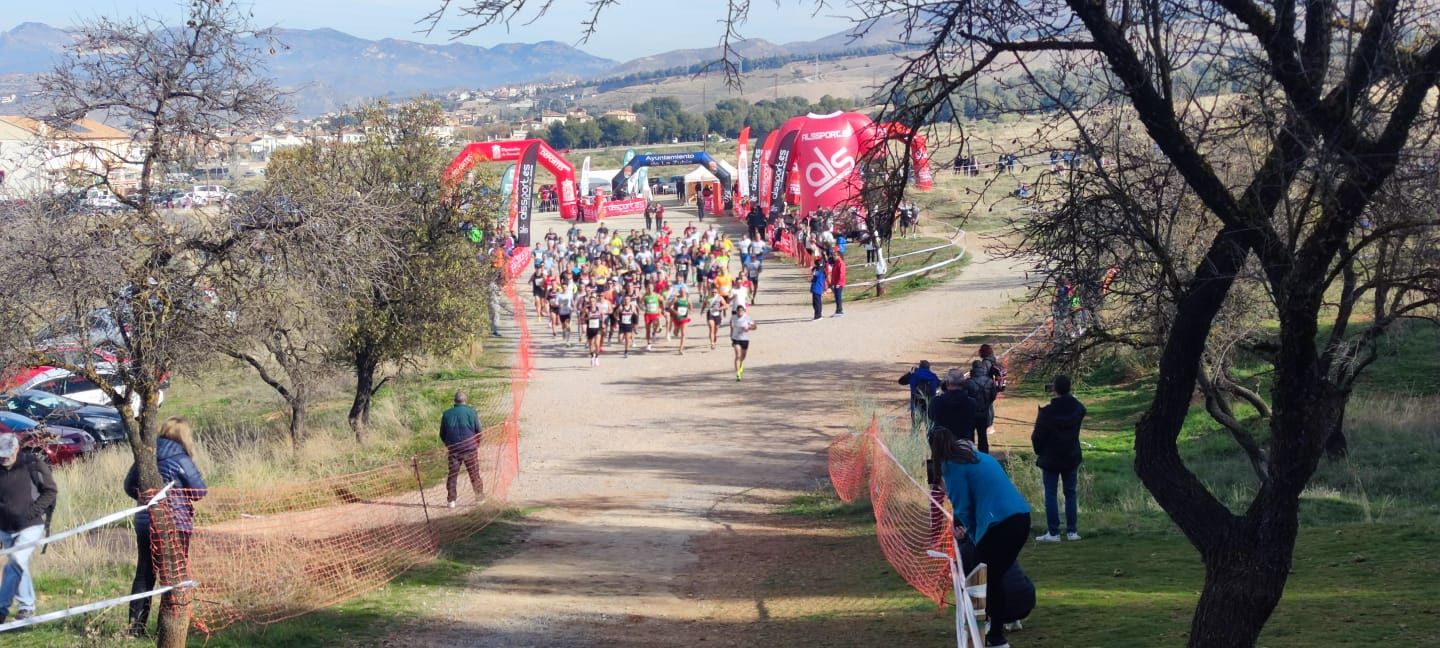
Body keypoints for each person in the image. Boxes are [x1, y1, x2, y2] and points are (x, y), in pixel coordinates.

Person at [933, 426, 1031, 648]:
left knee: (985, 577)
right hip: (1021, 517)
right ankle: (1005, 620)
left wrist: (968, 535)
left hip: (999, 523)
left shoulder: (951, 465)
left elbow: (962, 506)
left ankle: (996, 638)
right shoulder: (981, 457)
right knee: (997, 573)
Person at [122, 417, 205, 636]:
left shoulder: (145, 455)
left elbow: (128, 485)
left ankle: (135, 628)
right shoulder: (181, 457)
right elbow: (199, 491)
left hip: (144, 521)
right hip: (175, 524)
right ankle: (167, 630)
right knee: (173, 576)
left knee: (144, 574)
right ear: (184, 436)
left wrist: (146, 500)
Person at [0, 433, 56, 625]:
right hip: (5, 528)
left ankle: (2, 608)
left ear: (16, 450)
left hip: (30, 526)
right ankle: (26, 607)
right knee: (18, 566)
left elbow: (50, 491)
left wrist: (31, 512)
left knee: (15, 563)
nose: (4, 458)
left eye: (7, 454)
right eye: (1, 455)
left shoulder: (32, 464)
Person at [1031, 375, 1086, 542]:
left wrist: (1040, 451)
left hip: (1051, 456)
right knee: (1070, 493)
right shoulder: (1077, 410)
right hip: (1070, 454)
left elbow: (1037, 437)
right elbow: (1081, 408)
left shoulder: (1047, 413)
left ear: (1055, 389)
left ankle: (1053, 532)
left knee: (1051, 494)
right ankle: (1072, 531)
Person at [440, 391, 484, 508]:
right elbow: (479, 431)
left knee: (452, 475)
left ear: (454, 401)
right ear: (466, 400)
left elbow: (442, 434)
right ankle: (479, 498)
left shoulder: (446, 414)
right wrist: (476, 444)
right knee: (474, 473)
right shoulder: (472, 413)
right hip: (470, 449)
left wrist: (449, 445)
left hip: (454, 450)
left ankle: (451, 501)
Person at [928, 369, 977, 440]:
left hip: (942, 443)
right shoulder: (971, 403)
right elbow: (973, 423)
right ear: (963, 383)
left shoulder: (936, 401)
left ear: (947, 383)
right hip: (963, 443)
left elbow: (931, 417)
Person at [964, 360, 999, 453]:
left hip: (970, 413)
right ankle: (984, 456)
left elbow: (964, 397)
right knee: (983, 437)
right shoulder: (990, 381)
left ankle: (970, 455)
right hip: (984, 413)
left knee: (970, 437)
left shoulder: (968, 382)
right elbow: (993, 396)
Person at [730, 303, 757, 381]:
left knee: (743, 356)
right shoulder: (733, 317)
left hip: (744, 339)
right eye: (738, 311)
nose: (740, 312)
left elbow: (755, 327)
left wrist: (749, 327)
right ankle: (738, 373)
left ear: (744, 311)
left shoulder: (747, 318)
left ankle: (741, 363)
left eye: (741, 311)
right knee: (738, 355)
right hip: (736, 339)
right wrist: (731, 336)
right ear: (736, 311)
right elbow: (731, 326)